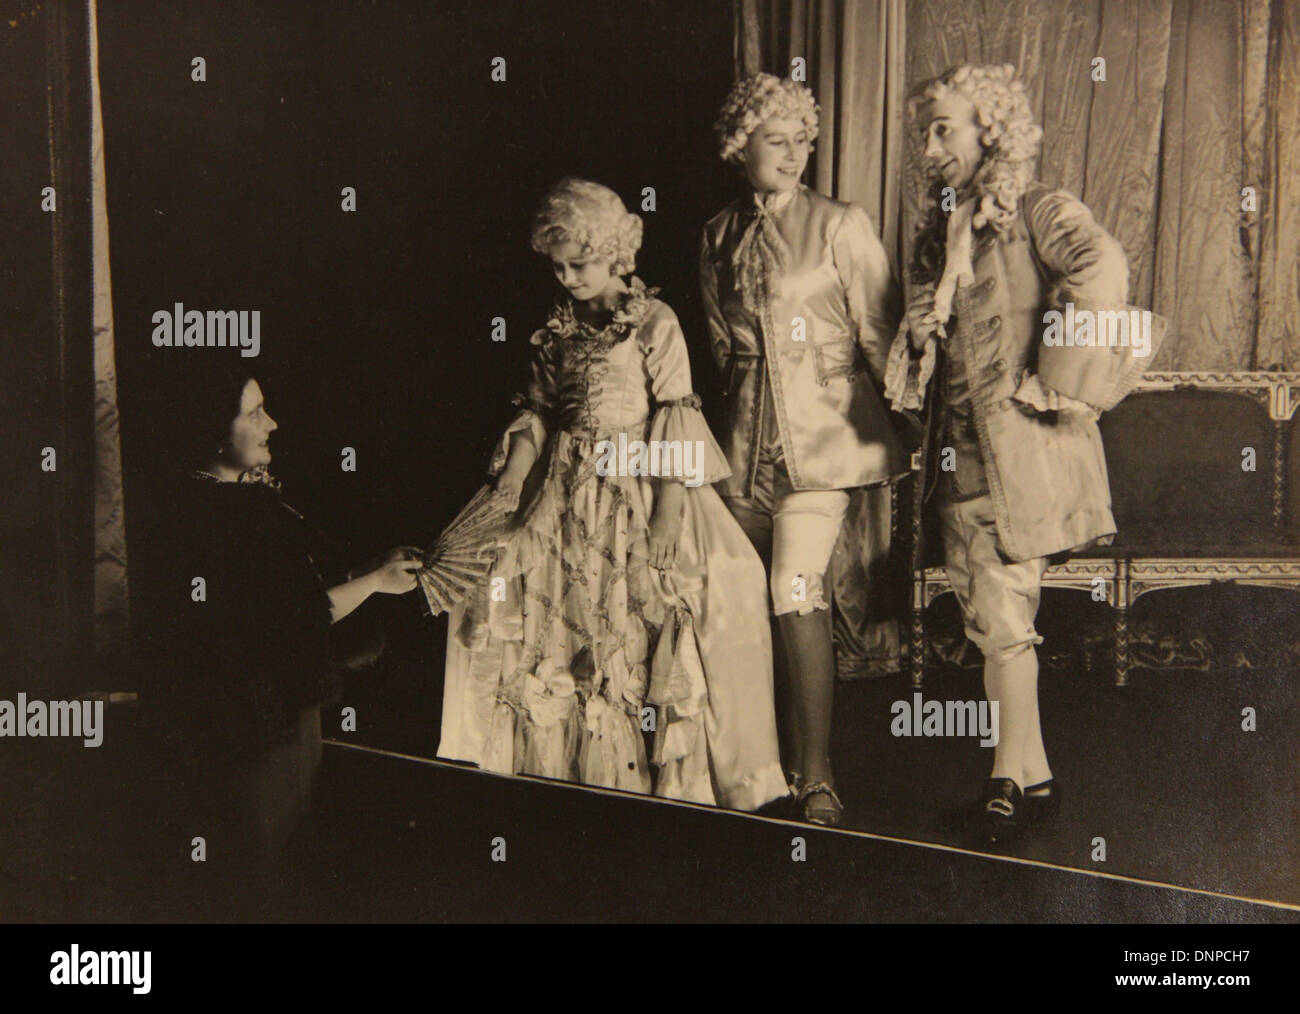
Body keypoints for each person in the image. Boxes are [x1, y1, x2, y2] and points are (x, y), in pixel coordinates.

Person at [437, 178, 787, 812]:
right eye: (558, 266)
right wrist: (515, 473)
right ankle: (556, 771)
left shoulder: (655, 321)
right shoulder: (558, 330)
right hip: (564, 491)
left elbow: (676, 420)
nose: (568, 277)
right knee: (536, 603)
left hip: (636, 480)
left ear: (615, 251)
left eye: (581, 263)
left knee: (661, 606)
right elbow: (538, 412)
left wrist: (666, 517)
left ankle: (639, 785)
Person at [886, 63, 1159, 843]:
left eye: (947, 127)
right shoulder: (942, 231)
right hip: (957, 457)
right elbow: (925, 343)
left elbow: (1102, 269)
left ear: (991, 130)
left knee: (1004, 621)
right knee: (991, 621)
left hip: (1020, 456)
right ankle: (1034, 781)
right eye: (925, 131)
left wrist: (1055, 375)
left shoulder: (1039, 210)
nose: (931, 144)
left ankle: (1007, 782)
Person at [700, 73, 906, 825]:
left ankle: (816, 774)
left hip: (824, 441)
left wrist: (913, 425)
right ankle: (752, 772)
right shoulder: (716, 234)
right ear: (739, 146)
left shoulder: (841, 224)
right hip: (739, 450)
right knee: (740, 602)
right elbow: (722, 348)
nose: (793, 155)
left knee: (794, 588)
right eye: (775, 141)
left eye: (802, 141)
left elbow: (881, 334)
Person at [141, 366, 423, 872]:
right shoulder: (228, 517)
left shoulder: (217, 500)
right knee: (262, 863)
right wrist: (378, 581)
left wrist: (368, 570)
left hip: (248, 722)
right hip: (259, 732)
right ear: (213, 429)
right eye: (253, 413)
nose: (270, 423)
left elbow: (286, 599)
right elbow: (297, 620)